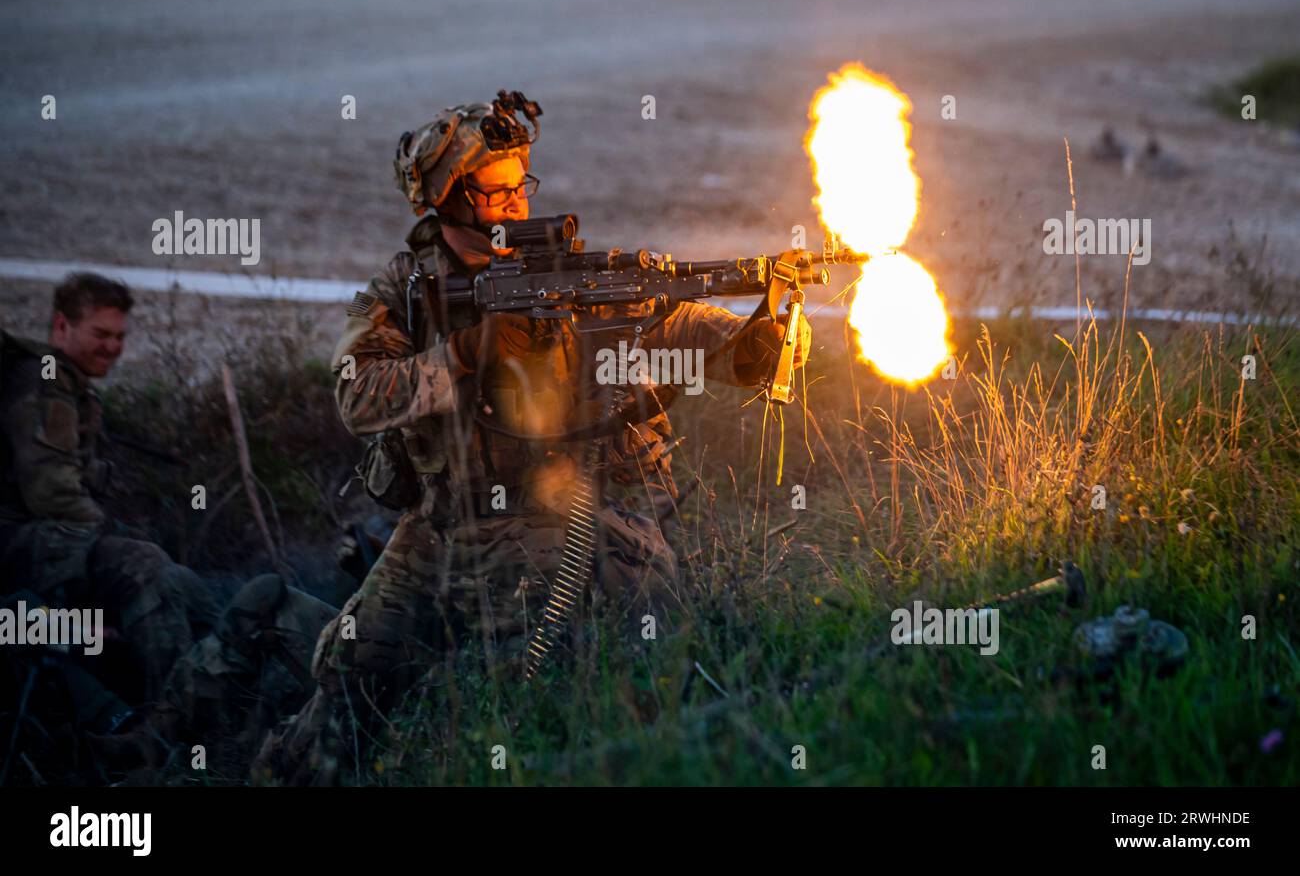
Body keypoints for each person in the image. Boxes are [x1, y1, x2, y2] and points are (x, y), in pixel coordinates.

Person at [256, 91, 810, 784]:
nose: (516, 204)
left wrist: (751, 342)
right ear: (448, 198)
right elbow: (357, 395)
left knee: (541, 681)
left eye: (523, 185)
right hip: (441, 528)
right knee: (352, 669)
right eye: (496, 192)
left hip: (555, 516)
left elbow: (676, 321)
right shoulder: (405, 292)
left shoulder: (571, 277)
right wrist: (465, 354)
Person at [0, 273, 217, 705]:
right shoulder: (47, 379)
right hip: (19, 543)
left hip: (45, 540)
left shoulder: (74, 389)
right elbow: (53, 493)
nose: (113, 347)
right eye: (100, 334)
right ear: (61, 326)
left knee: (181, 582)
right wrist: (108, 535)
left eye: (119, 336)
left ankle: (214, 702)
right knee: (142, 564)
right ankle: (175, 718)